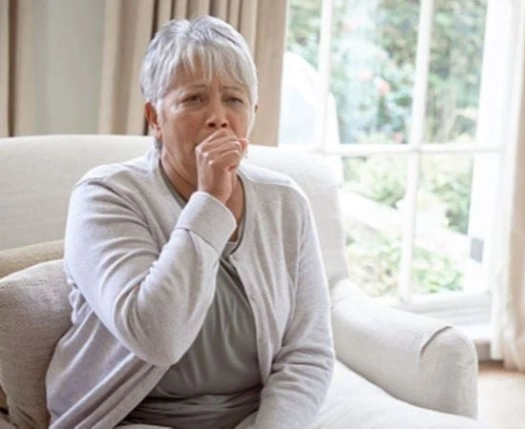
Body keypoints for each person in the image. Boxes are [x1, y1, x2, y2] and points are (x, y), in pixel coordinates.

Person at [45, 16, 334, 429]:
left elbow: (308, 351)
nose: (218, 117)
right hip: (130, 418)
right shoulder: (105, 196)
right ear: (155, 117)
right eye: (195, 99)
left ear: (253, 112)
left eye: (234, 100)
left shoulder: (284, 201)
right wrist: (210, 200)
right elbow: (156, 337)